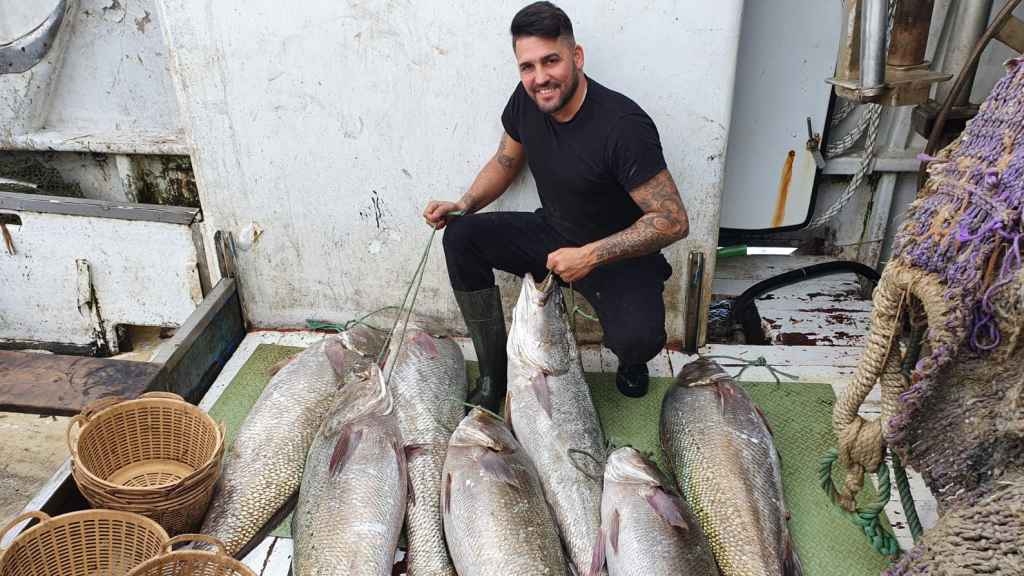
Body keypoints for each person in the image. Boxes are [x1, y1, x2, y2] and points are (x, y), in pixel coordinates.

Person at [423, 1, 688, 411]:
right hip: (553, 234)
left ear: (576, 56)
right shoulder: (528, 98)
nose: (540, 78)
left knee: (639, 338)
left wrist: (591, 255)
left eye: (551, 61)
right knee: (461, 235)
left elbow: (672, 221)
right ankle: (494, 375)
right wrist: (463, 203)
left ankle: (631, 362)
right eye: (527, 66)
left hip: (616, 254)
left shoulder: (623, 127)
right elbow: (505, 161)